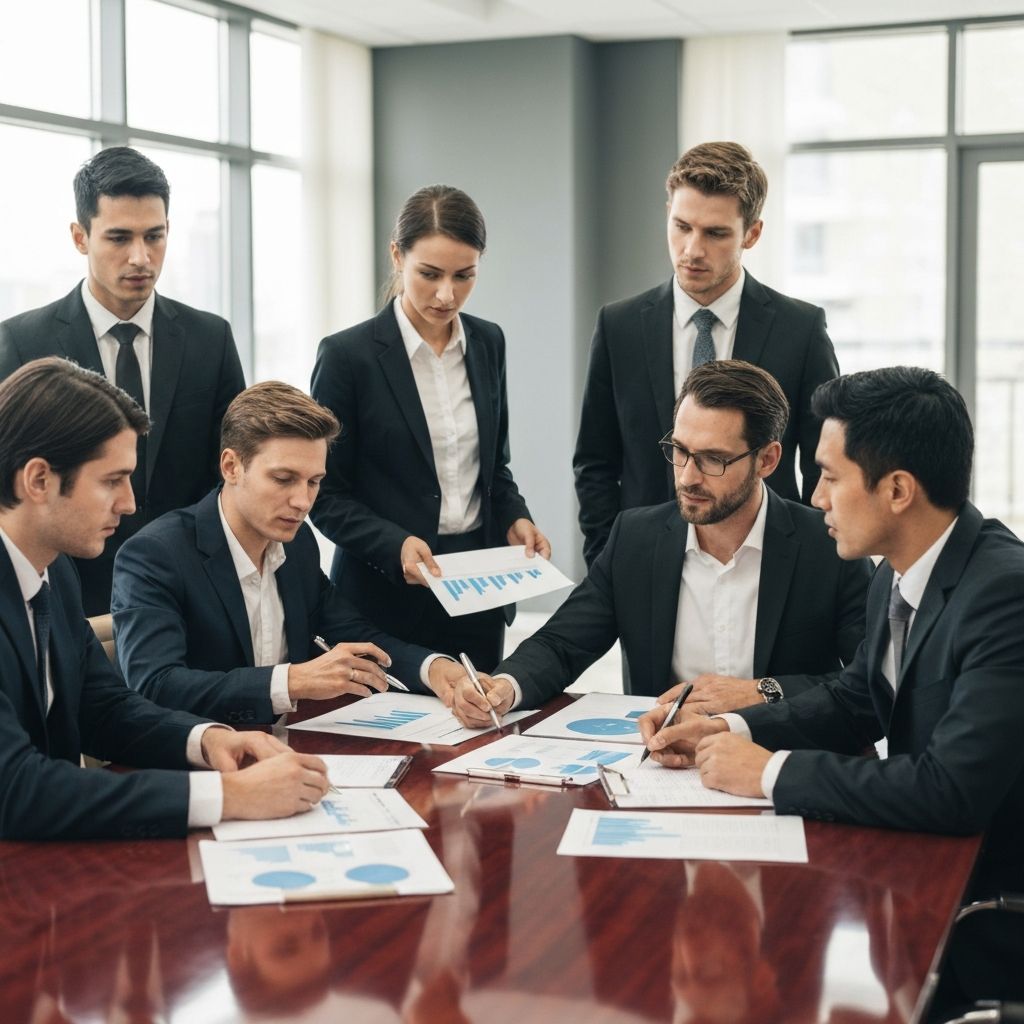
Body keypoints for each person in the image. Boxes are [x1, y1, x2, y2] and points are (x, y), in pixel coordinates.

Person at [637, 366, 1024, 1008]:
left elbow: (952, 790)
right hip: (920, 885)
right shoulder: (896, 574)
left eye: (831, 476)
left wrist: (768, 772)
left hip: (983, 918)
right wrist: (727, 729)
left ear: (897, 490)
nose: (815, 497)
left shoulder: (1002, 595)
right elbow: (859, 700)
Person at [0, 358, 328, 840]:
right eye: (112, 480)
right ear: (39, 480)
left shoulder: (54, 571)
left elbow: (104, 710)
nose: (129, 503)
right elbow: (16, 788)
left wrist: (210, 739)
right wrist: (231, 797)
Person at [451, 360, 869, 726]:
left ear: (767, 460)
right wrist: (504, 686)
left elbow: (869, 682)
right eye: (680, 451)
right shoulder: (636, 538)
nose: (687, 476)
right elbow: (562, 644)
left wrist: (765, 691)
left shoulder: (829, 546)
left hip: (782, 761)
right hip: (664, 760)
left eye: (713, 459)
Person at [111, 381, 465, 724]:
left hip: (290, 751)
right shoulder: (154, 555)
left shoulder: (299, 545)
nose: (303, 502)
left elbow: (353, 634)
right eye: (283, 479)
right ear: (231, 466)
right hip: (193, 768)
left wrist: (432, 668)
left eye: (314, 482)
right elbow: (156, 686)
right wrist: (293, 681)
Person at [311, 184, 549, 672]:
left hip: (477, 591)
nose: (447, 294)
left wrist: (514, 517)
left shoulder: (488, 342)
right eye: (430, 274)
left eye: (465, 276)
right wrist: (392, 545)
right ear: (397, 256)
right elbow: (324, 494)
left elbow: (493, 468)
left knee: (481, 732)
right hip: (384, 598)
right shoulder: (346, 357)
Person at [0, 146, 245, 615]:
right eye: (119, 238)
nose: (141, 257)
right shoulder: (21, 341)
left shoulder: (210, 339)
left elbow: (232, 469)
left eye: (154, 236)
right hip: (65, 589)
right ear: (79, 236)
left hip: (187, 589)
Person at [574, 141, 839, 566]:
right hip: (647, 560)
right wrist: (607, 560)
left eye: (715, 233)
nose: (692, 250)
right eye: (682, 226)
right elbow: (595, 463)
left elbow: (821, 461)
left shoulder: (801, 329)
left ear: (752, 233)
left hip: (768, 561)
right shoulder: (618, 326)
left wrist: (811, 565)